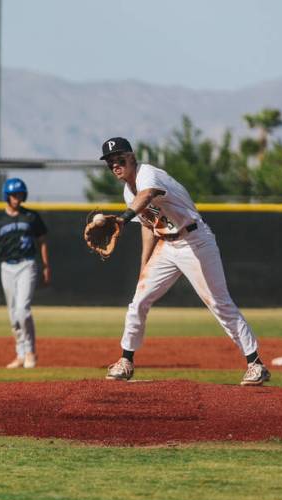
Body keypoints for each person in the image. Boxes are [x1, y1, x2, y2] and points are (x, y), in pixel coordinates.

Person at [97, 136, 270, 386]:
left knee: (219, 303)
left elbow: (146, 196)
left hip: (196, 241)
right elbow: (149, 226)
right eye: (110, 162)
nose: (115, 164)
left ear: (132, 157)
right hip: (167, 245)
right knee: (138, 301)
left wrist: (123, 219)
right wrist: (143, 267)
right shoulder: (128, 192)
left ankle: (256, 364)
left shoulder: (148, 175)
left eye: (119, 158)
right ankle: (126, 361)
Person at [0, 177, 51, 369]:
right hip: (6, 267)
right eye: (14, 195)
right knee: (13, 315)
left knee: (22, 310)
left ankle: (31, 352)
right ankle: (20, 354)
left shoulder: (31, 217)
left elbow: (42, 241)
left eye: (20, 194)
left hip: (27, 264)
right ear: (7, 196)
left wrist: (46, 265)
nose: (17, 198)